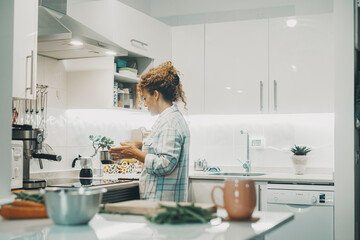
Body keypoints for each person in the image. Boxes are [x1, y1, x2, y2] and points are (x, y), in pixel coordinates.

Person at [109, 61, 190, 202]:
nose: (145, 104)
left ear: (156, 95)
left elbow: (165, 164)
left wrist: (134, 153)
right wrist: (140, 145)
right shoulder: (171, 118)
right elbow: (163, 148)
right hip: (164, 201)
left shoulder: (169, 123)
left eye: (145, 98)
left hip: (161, 203)